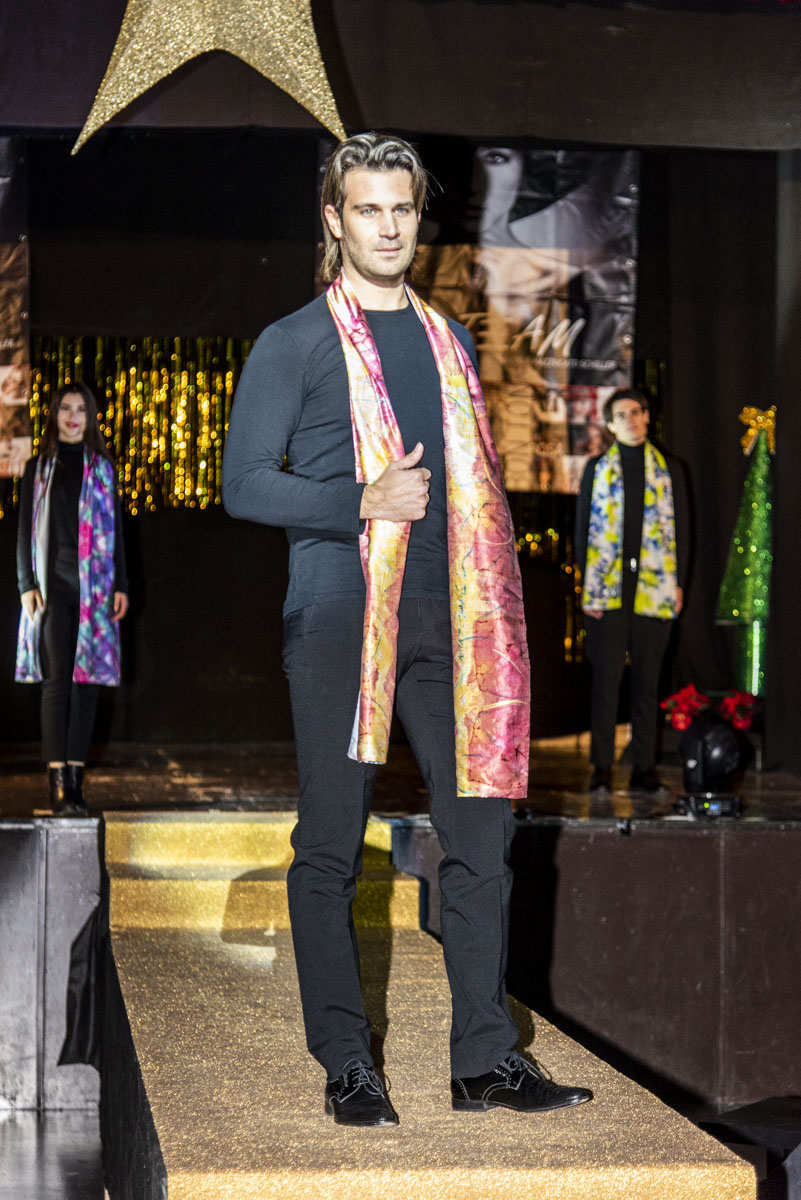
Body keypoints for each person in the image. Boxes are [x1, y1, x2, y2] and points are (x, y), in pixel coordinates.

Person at [223, 133, 592, 1127]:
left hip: (453, 614)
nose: (387, 227)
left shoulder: (449, 341)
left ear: (418, 219)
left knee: (482, 835)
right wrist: (362, 498)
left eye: (402, 209)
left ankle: (485, 1061)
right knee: (331, 845)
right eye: (367, 209)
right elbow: (242, 483)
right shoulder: (295, 340)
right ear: (335, 219)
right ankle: (348, 1063)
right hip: (342, 611)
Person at [16, 382, 128, 814]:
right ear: (55, 414)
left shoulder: (103, 469)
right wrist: (26, 584)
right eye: (66, 408)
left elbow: (117, 532)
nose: (73, 417)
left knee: (87, 684)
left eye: (81, 409)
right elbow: (24, 531)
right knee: (57, 683)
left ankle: (76, 783)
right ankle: (56, 780)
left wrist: (122, 585)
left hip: (95, 590)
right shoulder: (39, 468)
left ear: (90, 417)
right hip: (52, 589)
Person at [574, 388, 689, 792]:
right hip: (608, 590)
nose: (633, 419)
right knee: (606, 683)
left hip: (654, 587)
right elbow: (581, 531)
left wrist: (678, 584)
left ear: (647, 416)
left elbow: (684, 531)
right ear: (610, 424)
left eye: (638, 411)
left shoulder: (670, 469)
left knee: (647, 683)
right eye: (622, 414)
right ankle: (601, 768)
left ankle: (644, 768)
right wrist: (588, 588)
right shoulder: (596, 469)